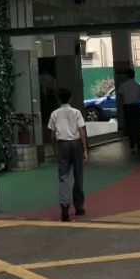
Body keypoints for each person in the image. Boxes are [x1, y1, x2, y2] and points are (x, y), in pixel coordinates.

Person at [47, 87, 88, 222]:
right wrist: (85, 149)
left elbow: (52, 135)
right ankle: (79, 206)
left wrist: (55, 149)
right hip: (76, 144)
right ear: (70, 98)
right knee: (78, 175)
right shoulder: (76, 112)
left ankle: (65, 207)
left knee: (63, 176)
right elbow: (81, 131)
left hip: (62, 145)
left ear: (59, 99)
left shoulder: (54, 114)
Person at [116, 69, 140, 152]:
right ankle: (139, 143)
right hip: (136, 107)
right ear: (134, 75)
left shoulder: (123, 85)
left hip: (127, 107)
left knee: (129, 125)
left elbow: (119, 94)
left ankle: (132, 142)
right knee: (138, 126)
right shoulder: (138, 86)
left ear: (127, 76)